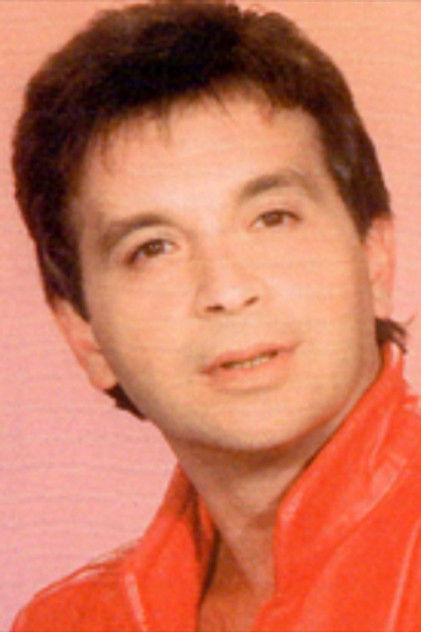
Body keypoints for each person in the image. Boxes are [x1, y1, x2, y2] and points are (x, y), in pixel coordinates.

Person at [10, 1, 420, 631]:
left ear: (375, 259)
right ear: (84, 335)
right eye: (153, 248)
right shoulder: (71, 622)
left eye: (272, 218)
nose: (227, 290)